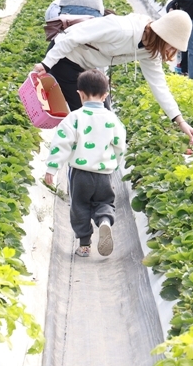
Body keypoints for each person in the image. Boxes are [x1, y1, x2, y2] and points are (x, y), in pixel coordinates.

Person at [33, 9, 193, 145]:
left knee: (104, 118)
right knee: (90, 119)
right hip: (64, 59)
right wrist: (46, 64)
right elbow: (73, 37)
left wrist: (180, 120)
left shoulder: (150, 51)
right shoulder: (122, 28)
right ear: (164, 36)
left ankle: (98, 169)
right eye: (173, 44)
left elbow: (159, 85)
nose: (172, 51)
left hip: (87, 66)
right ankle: (80, 168)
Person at [44, 69, 126, 258]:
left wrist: (52, 168)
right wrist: (114, 163)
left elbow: (61, 144)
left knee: (79, 207)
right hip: (103, 173)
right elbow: (120, 145)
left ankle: (84, 245)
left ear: (79, 93)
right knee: (104, 202)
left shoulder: (74, 118)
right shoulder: (112, 119)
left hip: (80, 173)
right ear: (105, 95)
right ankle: (104, 221)